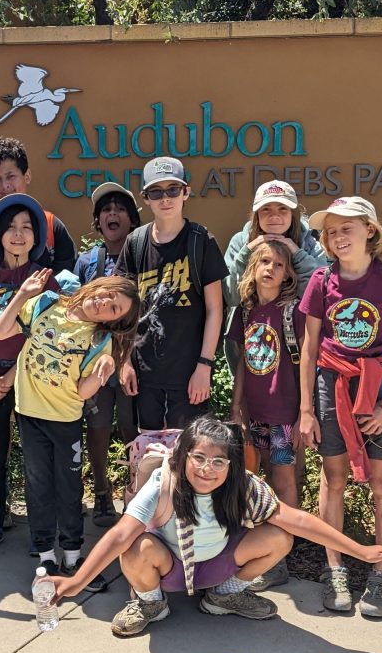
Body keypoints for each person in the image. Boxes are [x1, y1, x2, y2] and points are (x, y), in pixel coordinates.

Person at [49, 416, 382, 637]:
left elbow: (296, 519)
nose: (208, 469)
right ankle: (150, 603)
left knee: (280, 535)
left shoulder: (241, 484)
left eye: (218, 461)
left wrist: (359, 551)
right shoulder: (164, 482)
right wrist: (76, 582)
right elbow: (119, 534)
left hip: (218, 564)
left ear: (230, 464)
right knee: (135, 546)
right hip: (169, 569)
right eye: (199, 458)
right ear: (183, 455)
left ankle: (225, 595)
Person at [299, 196, 382, 618]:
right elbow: (310, 347)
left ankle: (380, 572)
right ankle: (334, 571)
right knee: (333, 479)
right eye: (330, 231)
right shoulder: (320, 281)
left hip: (378, 392)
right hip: (330, 389)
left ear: (369, 230)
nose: (337, 237)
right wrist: (305, 411)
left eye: (345, 228)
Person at [0, 269, 140, 588]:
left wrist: (104, 370)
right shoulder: (45, 303)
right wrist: (22, 295)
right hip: (30, 414)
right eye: (109, 294)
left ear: (114, 322)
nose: (105, 303)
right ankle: (45, 557)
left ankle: (73, 557)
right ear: (100, 285)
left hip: (66, 420)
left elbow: (82, 392)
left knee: (70, 488)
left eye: (114, 308)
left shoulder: (100, 338)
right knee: (38, 485)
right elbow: (0, 333)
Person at [0, 193, 61, 557]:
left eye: (26, 228)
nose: (18, 235)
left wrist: (15, 373)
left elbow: (49, 337)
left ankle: (43, 530)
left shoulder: (46, 281)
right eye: (10, 228)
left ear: (36, 236)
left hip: (32, 384)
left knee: (39, 458)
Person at [115, 157, 228, 430]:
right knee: (147, 456)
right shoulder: (136, 243)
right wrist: (125, 360)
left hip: (189, 374)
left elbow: (215, 308)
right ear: (146, 198)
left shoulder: (201, 241)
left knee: (186, 455)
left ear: (185, 192)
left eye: (172, 190)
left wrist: (205, 366)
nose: (165, 199)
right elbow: (122, 309)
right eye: (156, 192)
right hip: (144, 376)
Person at [228, 240, 305, 591]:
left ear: (288, 272)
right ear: (252, 268)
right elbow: (243, 360)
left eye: (278, 264)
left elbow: (308, 361)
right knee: (251, 479)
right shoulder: (244, 312)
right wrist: (236, 406)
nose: (270, 268)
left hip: (284, 415)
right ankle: (255, 546)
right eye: (264, 261)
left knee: (284, 480)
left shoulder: (293, 311)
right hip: (254, 413)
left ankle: (281, 557)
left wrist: (307, 412)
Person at [73, 182, 142, 526]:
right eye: (106, 210)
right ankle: (101, 493)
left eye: (120, 209)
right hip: (94, 364)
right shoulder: (88, 261)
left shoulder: (144, 253)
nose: (112, 214)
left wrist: (125, 357)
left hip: (133, 363)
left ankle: (135, 494)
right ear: (98, 221)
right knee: (97, 428)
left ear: (132, 219)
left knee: (133, 429)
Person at [222, 180, 327, 370]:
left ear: (293, 214)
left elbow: (317, 299)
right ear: (256, 214)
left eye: (282, 209)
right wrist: (247, 252)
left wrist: (297, 253)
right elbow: (231, 297)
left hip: (299, 346)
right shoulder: (240, 242)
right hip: (253, 345)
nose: (274, 216)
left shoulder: (311, 245)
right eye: (266, 209)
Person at [0, 137, 76, 273]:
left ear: (27, 176)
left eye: (11, 176)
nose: (5, 185)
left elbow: (66, 285)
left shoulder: (52, 226)